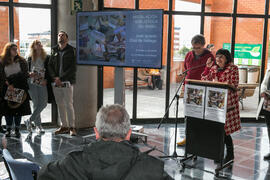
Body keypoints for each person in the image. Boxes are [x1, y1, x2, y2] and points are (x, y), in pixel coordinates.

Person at [38, 104, 173, 180]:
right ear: (129, 134)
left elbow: (42, 176)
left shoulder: (72, 163)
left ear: (96, 133)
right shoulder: (153, 169)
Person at [202, 48, 241, 163]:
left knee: (224, 129)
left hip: (228, 103)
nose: (218, 59)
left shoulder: (233, 68)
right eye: (217, 56)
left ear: (226, 58)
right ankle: (218, 152)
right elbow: (204, 79)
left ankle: (230, 153)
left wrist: (219, 84)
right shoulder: (213, 68)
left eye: (221, 57)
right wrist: (207, 68)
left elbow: (234, 84)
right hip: (214, 102)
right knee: (217, 128)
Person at [177, 34, 215, 146]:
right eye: (193, 47)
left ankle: (200, 139)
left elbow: (212, 72)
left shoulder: (210, 57)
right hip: (189, 87)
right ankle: (188, 137)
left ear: (203, 45)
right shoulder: (189, 55)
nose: (196, 50)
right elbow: (186, 69)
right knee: (188, 115)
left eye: (198, 48)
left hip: (202, 89)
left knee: (200, 115)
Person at [48, 31, 77, 136]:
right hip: (55, 82)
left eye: (63, 35)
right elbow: (50, 65)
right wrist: (55, 77)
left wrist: (61, 78)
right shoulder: (54, 50)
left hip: (67, 81)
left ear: (67, 39)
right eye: (59, 35)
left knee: (69, 104)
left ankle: (72, 127)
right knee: (60, 104)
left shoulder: (72, 50)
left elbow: (73, 68)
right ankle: (64, 126)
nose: (60, 37)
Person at [0, 42, 31, 138]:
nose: (16, 51)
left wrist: (14, 84)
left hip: (19, 87)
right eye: (13, 49)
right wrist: (8, 84)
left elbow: (25, 74)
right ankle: (8, 129)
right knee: (8, 110)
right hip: (7, 88)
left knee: (18, 110)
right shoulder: (2, 61)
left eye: (16, 49)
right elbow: (1, 75)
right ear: (8, 50)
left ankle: (17, 129)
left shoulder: (22, 61)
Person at [24, 40, 53, 134]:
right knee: (36, 103)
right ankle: (38, 126)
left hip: (42, 83)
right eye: (37, 43)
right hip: (31, 83)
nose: (39, 44)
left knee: (43, 103)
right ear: (33, 46)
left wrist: (47, 80)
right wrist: (29, 74)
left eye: (40, 43)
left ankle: (29, 120)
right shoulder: (28, 58)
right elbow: (24, 71)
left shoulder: (47, 57)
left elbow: (50, 71)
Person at [259, 68, 270, 160]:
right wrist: (263, 91)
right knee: (269, 127)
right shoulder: (269, 69)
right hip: (268, 102)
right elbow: (264, 82)